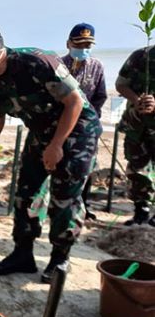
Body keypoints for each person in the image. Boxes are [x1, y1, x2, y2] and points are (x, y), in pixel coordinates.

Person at [0, 23, 102, 283]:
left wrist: (57, 145)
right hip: (41, 131)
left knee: (64, 197)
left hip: (78, 131)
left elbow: (74, 102)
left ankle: (59, 258)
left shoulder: (38, 62)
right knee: (26, 193)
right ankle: (23, 254)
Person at [61, 23, 107, 221]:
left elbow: (100, 95)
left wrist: (91, 119)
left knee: (87, 167)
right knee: (60, 163)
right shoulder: (58, 64)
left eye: (87, 45)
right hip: (61, 123)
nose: (83, 49)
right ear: (69, 43)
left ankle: (84, 206)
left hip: (87, 126)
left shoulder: (97, 66)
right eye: (79, 45)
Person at [115, 44, 155, 226]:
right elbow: (121, 84)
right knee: (136, 167)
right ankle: (141, 210)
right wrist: (136, 100)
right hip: (137, 124)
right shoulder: (141, 56)